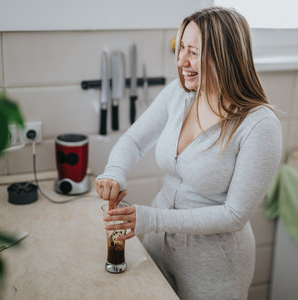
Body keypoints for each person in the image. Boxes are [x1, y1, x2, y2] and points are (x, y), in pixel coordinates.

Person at [96, 6, 282, 300]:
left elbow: (234, 215)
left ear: (225, 57)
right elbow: (133, 140)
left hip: (214, 268)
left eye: (193, 52)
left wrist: (151, 218)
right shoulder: (178, 95)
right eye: (181, 47)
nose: (182, 61)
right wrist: (114, 172)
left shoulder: (259, 125)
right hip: (158, 247)